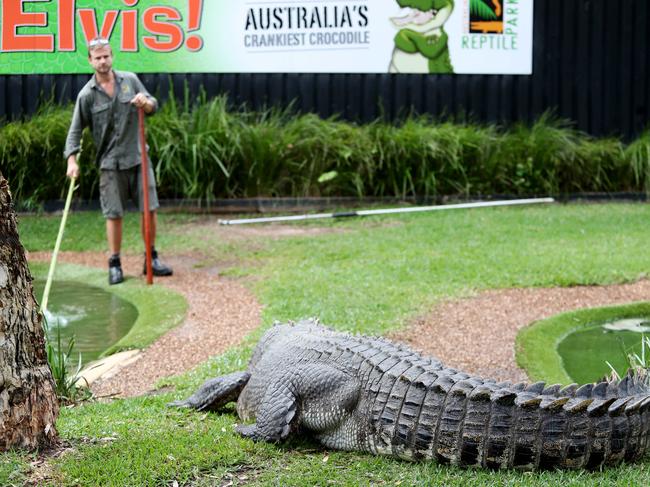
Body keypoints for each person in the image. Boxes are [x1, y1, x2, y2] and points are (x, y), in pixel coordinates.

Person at [64, 36, 172, 285]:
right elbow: (75, 131)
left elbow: (153, 105)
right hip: (110, 164)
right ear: (90, 61)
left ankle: (151, 259)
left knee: (150, 210)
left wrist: (145, 103)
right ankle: (115, 263)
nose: (103, 61)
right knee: (114, 214)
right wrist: (72, 160)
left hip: (138, 157)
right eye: (98, 58)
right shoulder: (86, 95)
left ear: (112, 56)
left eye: (106, 56)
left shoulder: (130, 80)